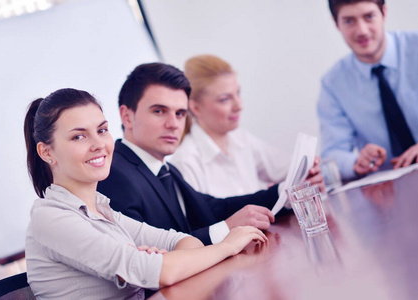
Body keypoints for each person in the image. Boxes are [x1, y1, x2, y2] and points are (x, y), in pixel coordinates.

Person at [23, 88, 268, 299]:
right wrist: (228, 246)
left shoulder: (102, 210)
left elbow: (182, 241)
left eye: (102, 130)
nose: (99, 144)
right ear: (46, 153)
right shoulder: (50, 218)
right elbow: (164, 273)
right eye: (79, 136)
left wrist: (163, 262)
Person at [98, 63, 324, 246]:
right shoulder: (114, 174)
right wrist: (226, 229)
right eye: (159, 111)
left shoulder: (164, 169)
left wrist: (284, 192)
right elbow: (148, 255)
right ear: (127, 117)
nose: (173, 124)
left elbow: (214, 209)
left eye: (180, 114)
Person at [317, 0, 418, 180]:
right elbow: (332, 154)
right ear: (336, 23)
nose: (362, 31)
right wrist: (355, 161)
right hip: (393, 189)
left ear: (384, 13)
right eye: (349, 21)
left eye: (369, 17)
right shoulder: (333, 84)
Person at [170, 54, 290, 198]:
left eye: (238, 93)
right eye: (225, 99)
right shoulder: (186, 163)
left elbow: (288, 170)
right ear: (195, 108)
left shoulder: (242, 139)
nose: (239, 106)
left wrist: (310, 173)